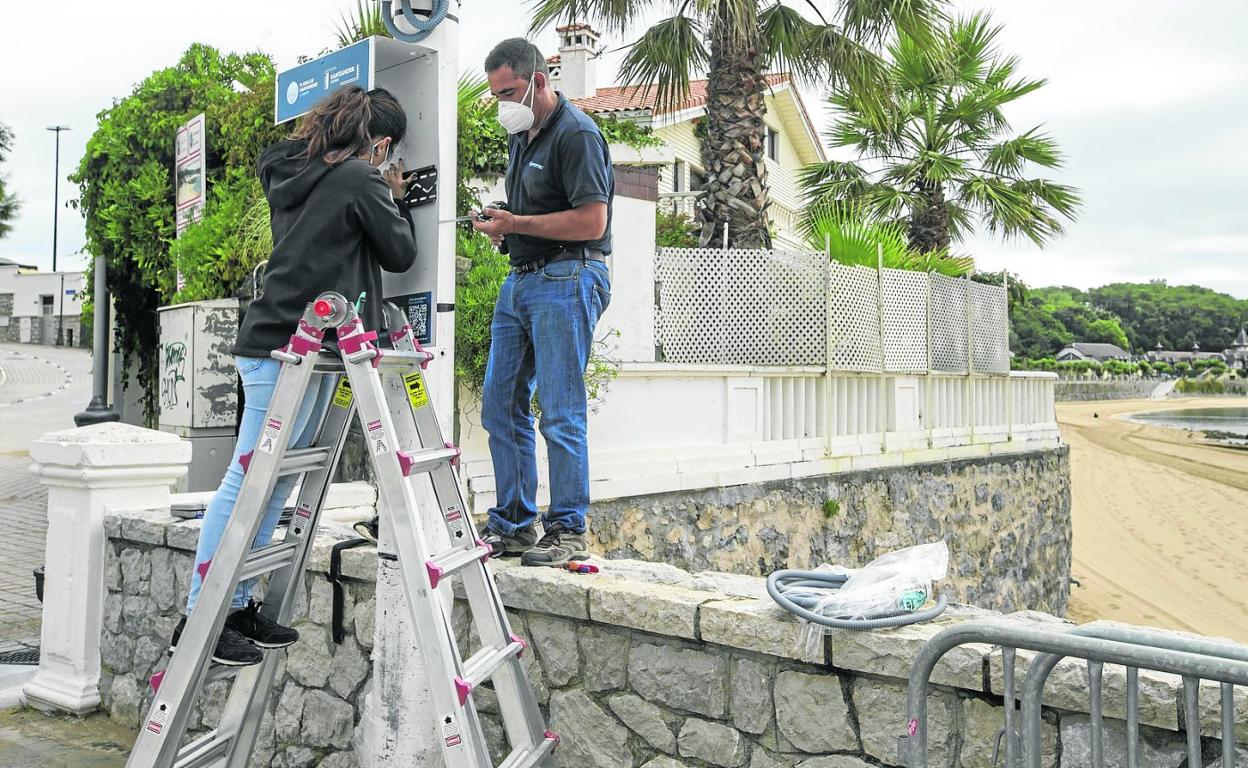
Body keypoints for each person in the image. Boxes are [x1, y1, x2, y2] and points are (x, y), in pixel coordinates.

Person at [175, 86, 417, 666]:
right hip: (293, 345)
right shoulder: (362, 180)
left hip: (292, 342)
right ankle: (200, 617)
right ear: (379, 143)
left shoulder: (290, 166)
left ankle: (237, 605)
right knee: (250, 478)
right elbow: (400, 252)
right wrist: (394, 194)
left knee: (274, 481)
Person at [471, 38, 613, 567]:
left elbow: (592, 220)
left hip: (569, 275)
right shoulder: (522, 134)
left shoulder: (576, 134)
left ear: (538, 80)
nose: (501, 102)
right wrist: (502, 222)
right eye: (495, 93)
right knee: (500, 404)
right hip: (523, 277)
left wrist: (517, 223)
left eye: (507, 91)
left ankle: (568, 528)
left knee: (559, 410)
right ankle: (512, 525)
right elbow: (534, 209)